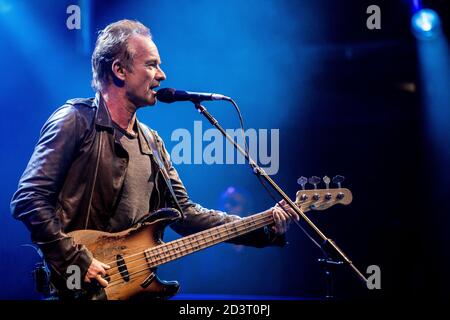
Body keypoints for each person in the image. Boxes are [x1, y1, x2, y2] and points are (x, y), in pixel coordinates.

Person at [10, 19, 299, 297]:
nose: (162, 75)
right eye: (151, 65)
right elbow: (28, 199)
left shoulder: (152, 142)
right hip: (76, 288)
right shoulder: (75, 121)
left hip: (129, 289)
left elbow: (185, 214)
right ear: (119, 70)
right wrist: (74, 259)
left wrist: (261, 228)